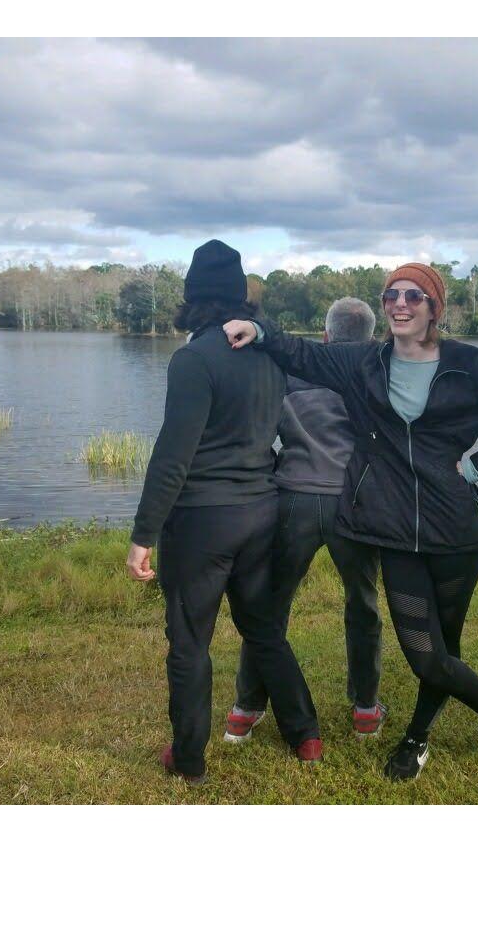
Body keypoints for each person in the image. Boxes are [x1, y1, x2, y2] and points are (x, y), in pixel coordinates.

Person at [223, 262, 478, 782]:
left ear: (434, 307)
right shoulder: (365, 362)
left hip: (453, 530)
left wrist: (477, 467)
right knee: (423, 655)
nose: (400, 304)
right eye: (391, 295)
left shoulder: (468, 364)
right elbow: (302, 353)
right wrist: (258, 330)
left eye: (413, 296)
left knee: (444, 649)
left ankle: (419, 736)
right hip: (393, 531)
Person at [127, 239, 322, 785]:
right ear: (240, 297)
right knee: (263, 629)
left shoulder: (194, 359)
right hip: (261, 512)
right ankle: (305, 734)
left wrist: (143, 534)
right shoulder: (268, 353)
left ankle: (188, 759)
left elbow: (173, 455)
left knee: (190, 642)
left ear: (193, 298)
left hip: (202, 523)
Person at [225, 297, 386, 744]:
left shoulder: (291, 373)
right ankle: (365, 709)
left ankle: (245, 709)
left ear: (326, 335)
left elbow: (261, 432)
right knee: (363, 603)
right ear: (371, 337)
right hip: (353, 504)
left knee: (271, 606)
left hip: (294, 498)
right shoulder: (376, 374)